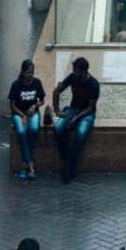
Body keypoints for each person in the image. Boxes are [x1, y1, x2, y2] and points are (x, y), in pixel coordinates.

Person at [52, 56, 101, 184]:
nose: (74, 73)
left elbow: (91, 108)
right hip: (73, 109)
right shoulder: (73, 77)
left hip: (87, 113)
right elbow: (57, 91)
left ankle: (70, 166)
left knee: (80, 134)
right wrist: (57, 110)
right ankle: (67, 161)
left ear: (84, 71)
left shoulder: (94, 84)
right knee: (58, 128)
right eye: (74, 70)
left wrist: (76, 118)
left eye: (77, 71)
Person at [8, 58, 47, 180]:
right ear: (23, 72)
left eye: (32, 72)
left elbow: (42, 100)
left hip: (33, 112)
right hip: (18, 113)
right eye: (28, 72)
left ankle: (25, 163)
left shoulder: (37, 83)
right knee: (21, 132)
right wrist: (23, 115)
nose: (30, 75)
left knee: (34, 130)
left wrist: (35, 106)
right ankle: (30, 164)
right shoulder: (16, 85)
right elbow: (12, 105)